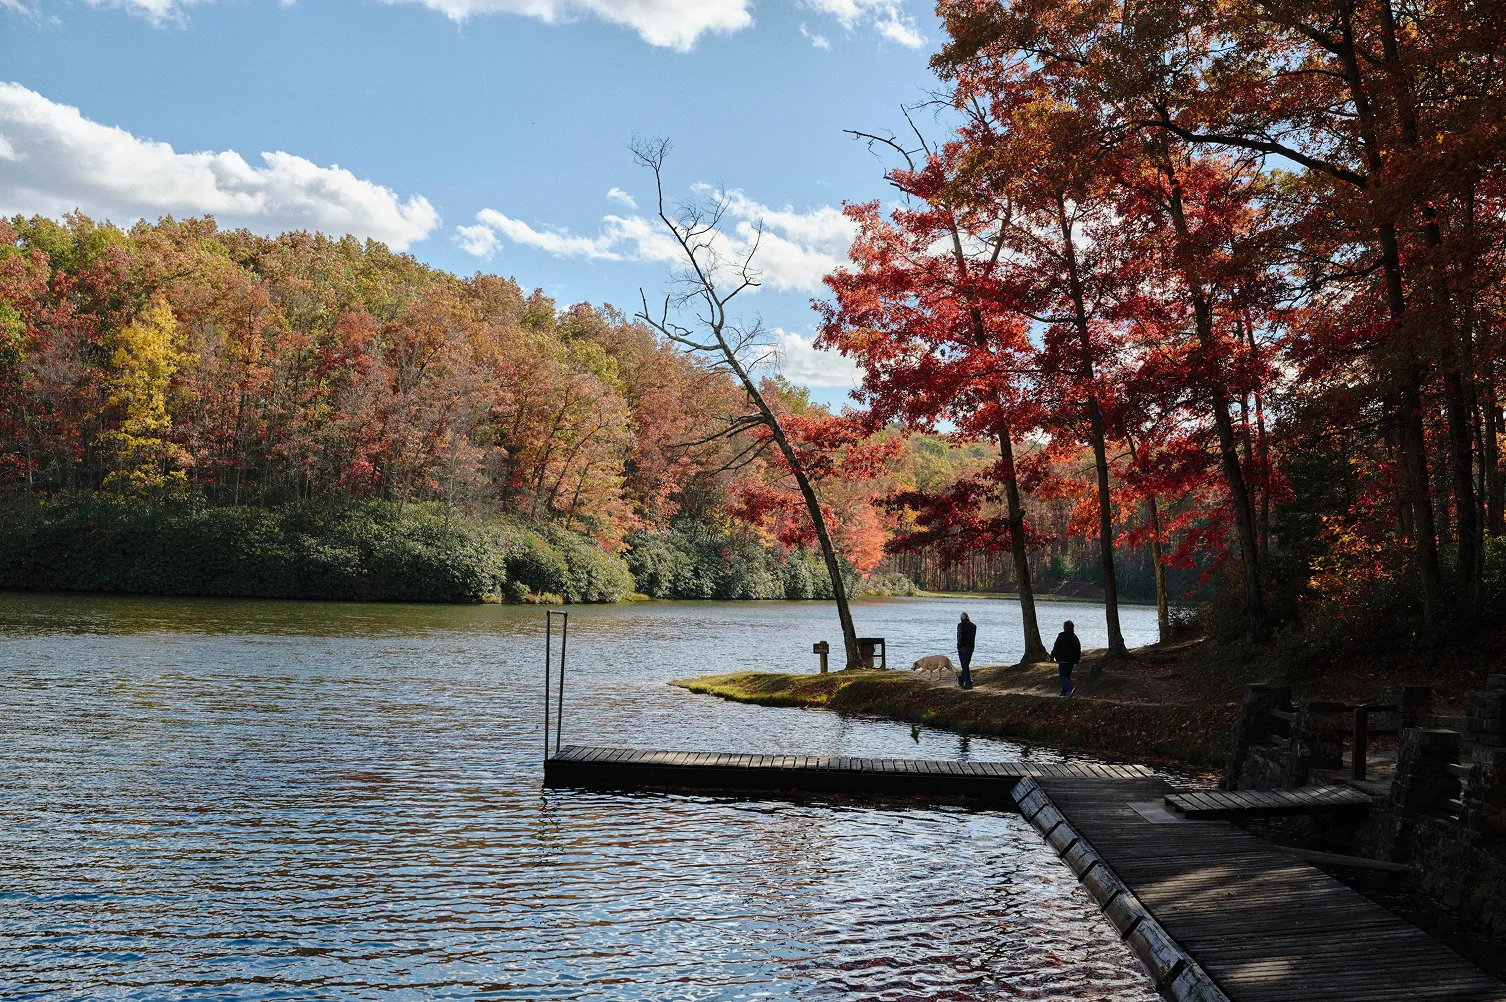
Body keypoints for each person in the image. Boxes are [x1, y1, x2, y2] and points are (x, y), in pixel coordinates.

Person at [1050, 620, 1081, 697]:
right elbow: (1078, 649)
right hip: (1072, 660)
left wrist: (1052, 656)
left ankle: (1070, 689)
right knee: (1067, 677)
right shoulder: (1074, 637)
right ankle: (1063, 694)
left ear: (1064, 628)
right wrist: (1077, 658)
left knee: (1062, 676)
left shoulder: (1061, 636)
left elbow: (1056, 647)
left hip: (1063, 659)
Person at [956, 612, 977, 689]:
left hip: (963, 648)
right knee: (965, 665)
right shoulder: (973, 626)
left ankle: (968, 683)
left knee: (964, 665)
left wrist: (958, 646)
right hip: (971, 647)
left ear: (961, 618)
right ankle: (961, 679)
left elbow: (959, 637)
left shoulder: (960, 625)